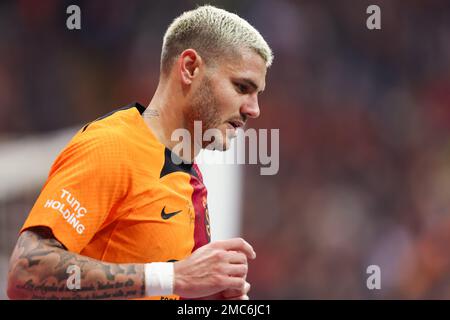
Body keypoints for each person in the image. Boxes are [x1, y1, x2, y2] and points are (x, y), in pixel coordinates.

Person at [7, 5, 273, 300]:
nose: (254, 109)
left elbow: (172, 288)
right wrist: (173, 277)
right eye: (241, 87)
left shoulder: (189, 179)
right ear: (190, 68)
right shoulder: (111, 146)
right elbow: (26, 273)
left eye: (256, 94)